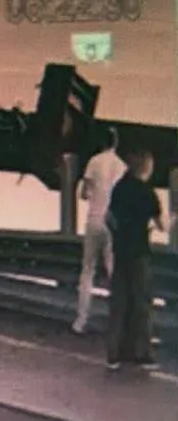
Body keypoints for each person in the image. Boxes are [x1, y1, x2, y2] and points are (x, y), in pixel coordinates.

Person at [104, 148, 164, 371]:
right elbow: (162, 225)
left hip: (121, 251)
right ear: (146, 168)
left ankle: (114, 353)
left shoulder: (119, 188)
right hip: (140, 252)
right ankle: (141, 353)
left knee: (119, 301)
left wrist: (119, 235)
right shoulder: (148, 193)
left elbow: (108, 218)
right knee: (141, 303)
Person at [74, 127, 127, 334]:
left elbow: (84, 193)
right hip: (113, 224)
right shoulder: (122, 166)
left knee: (88, 270)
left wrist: (89, 191)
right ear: (116, 143)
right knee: (114, 273)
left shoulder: (94, 162)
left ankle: (80, 321)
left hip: (94, 220)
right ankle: (117, 322)